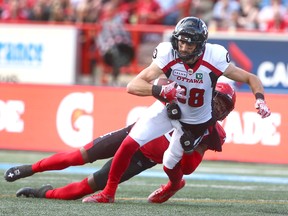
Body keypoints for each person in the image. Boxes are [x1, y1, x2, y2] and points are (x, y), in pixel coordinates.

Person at [85, 16, 271, 204]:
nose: (183, 48)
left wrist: (260, 100)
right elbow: (133, 85)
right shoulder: (167, 52)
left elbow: (250, 78)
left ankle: (174, 184)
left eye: (189, 45)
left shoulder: (214, 58)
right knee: (129, 143)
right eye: (181, 42)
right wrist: (161, 90)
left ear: (200, 45)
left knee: (169, 164)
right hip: (171, 108)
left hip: (195, 120)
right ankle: (108, 193)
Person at [5, 82, 235, 201]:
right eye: (217, 100)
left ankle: (44, 193)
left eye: (224, 106)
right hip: (131, 134)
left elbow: (188, 167)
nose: (217, 107)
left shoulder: (212, 133)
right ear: (206, 94)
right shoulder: (185, 96)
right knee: (79, 155)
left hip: (143, 158)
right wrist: (167, 96)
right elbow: (158, 85)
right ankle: (29, 169)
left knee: (91, 184)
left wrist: (187, 147)